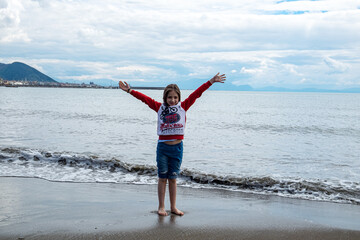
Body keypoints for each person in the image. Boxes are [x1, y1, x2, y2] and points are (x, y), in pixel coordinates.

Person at [119, 73, 226, 216]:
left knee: (173, 179)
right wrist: (130, 90)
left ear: (179, 98)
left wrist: (211, 81)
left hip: (177, 148)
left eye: (175, 97)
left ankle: (173, 207)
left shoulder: (184, 107)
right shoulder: (159, 107)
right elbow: (144, 99)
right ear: (165, 98)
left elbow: (197, 93)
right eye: (170, 97)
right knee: (162, 178)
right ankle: (161, 207)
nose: (173, 100)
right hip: (163, 148)